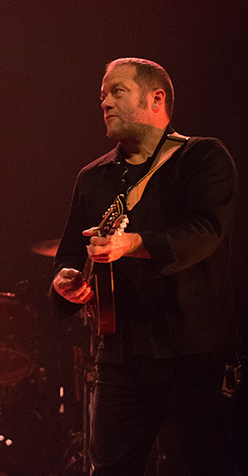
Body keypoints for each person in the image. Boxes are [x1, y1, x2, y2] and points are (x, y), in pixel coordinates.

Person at [49, 58, 242, 475]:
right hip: (121, 355)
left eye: (116, 91)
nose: (104, 102)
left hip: (194, 350)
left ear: (156, 99)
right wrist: (64, 281)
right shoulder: (92, 177)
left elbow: (206, 231)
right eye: (102, 95)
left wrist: (133, 243)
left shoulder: (202, 157)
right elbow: (68, 254)